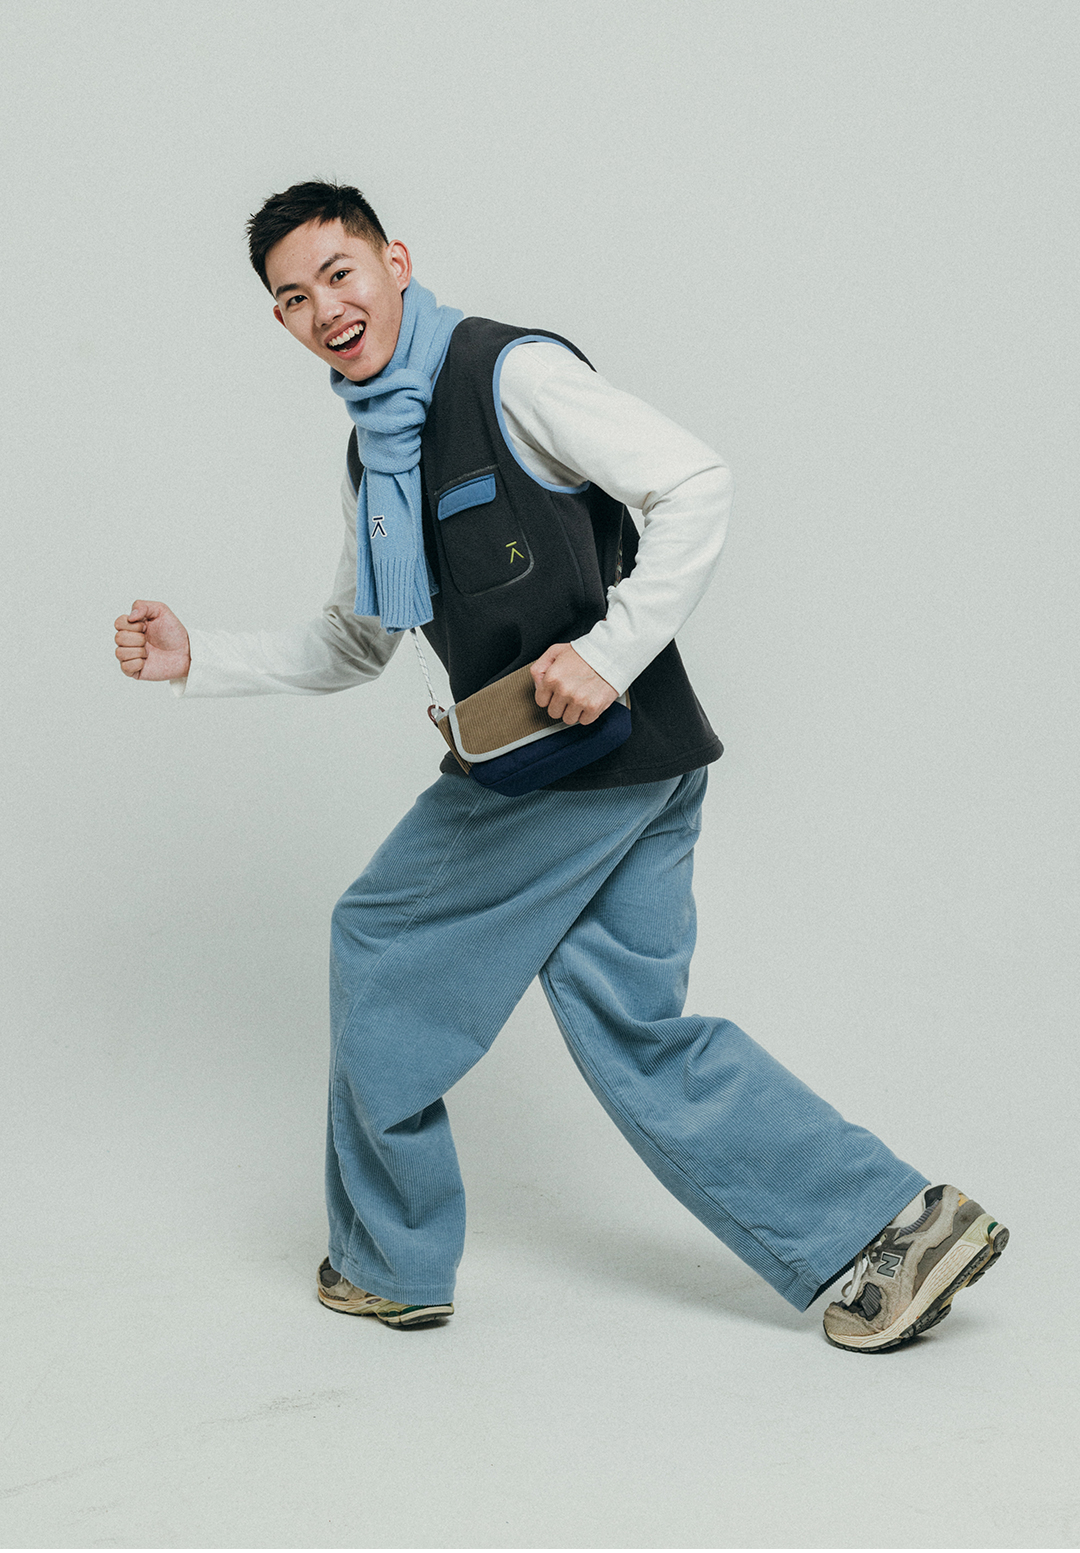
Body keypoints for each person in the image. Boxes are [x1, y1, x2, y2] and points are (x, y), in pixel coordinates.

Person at [113, 180, 1008, 1351]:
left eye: (339, 272)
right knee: (636, 1031)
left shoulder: (511, 375)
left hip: (575, 763)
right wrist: (200, 658)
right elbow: (356, 643)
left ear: (394, 261)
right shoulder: (374, 455)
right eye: (292, 298)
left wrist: (608, 651)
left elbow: (695, 481)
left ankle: (390, 1261)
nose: (323, 307)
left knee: (378, 939)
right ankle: (899, 1226)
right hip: (638, 764)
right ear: (280, 322)